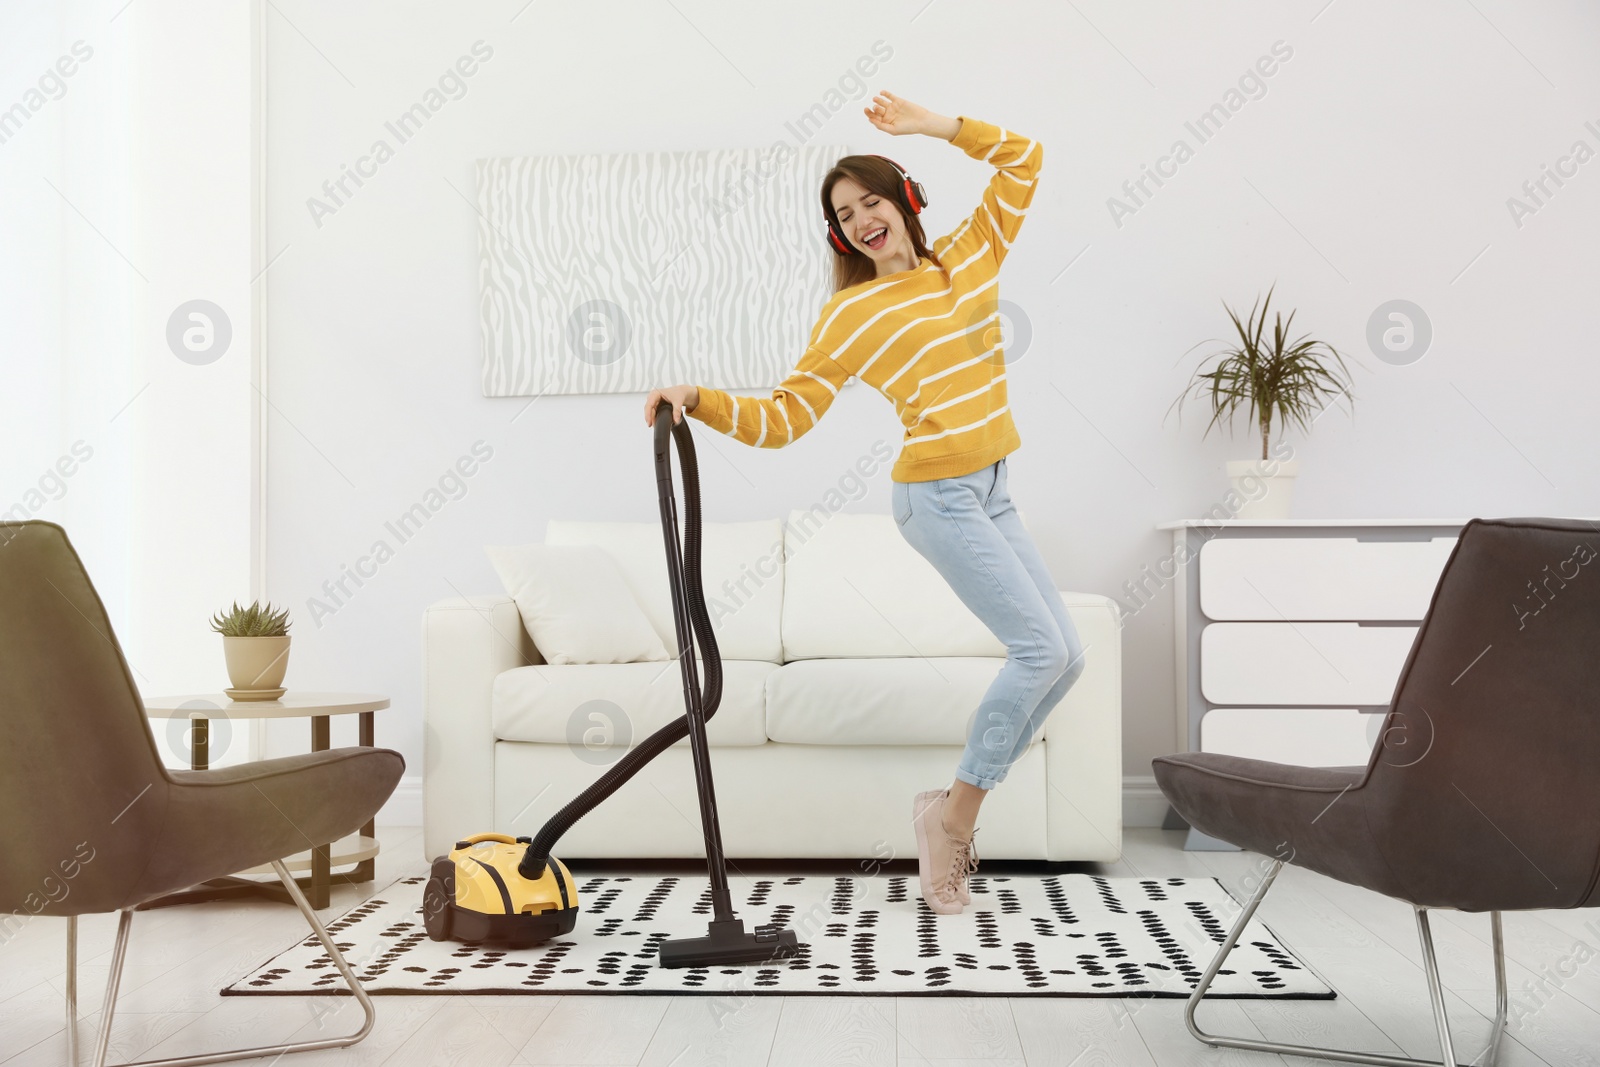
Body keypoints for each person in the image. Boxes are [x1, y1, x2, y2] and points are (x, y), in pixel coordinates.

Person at [645, 91, 1085, 914]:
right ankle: (953, 822)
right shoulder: (851, 314)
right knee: (1039, 652)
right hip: (937, 496)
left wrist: (932, 126)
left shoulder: (972, 253)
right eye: (843, 215)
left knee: (1068, 656)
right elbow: (786, 418)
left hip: (993, 487)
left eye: (870, 200)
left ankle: (943, 814)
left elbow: (1024, 156)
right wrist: (698, 397)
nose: (859, 221)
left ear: (906, 198)